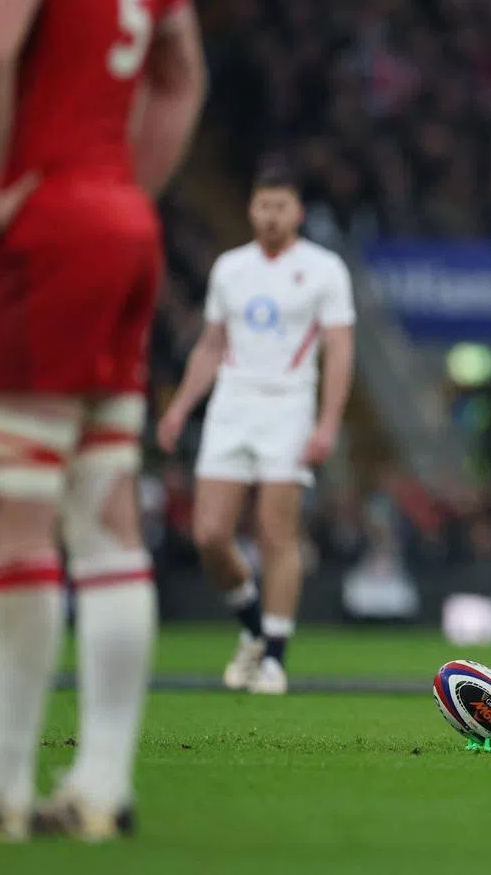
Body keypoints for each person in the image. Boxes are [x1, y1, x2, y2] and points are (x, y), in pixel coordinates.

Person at [0, 0, 206, 840]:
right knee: (105, 516)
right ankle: (102, 788)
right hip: (120, 223)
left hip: (43, 229)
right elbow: (183, 72)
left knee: (10, 509)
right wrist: (125, 185)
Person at [157, 166, 355, 696]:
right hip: (231, 405)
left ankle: (275, 659)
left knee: (275, 533)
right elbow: (210, 345)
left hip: (289, 406)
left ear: (298, 212)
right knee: (210, 535)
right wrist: (179, 408)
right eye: (263, 206)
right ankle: (252, 629)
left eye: (281, 207)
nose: (271, 216)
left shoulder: (323, 269)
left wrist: (327, 421)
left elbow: (339, 350)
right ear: (250, 210)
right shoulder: (231, 268)